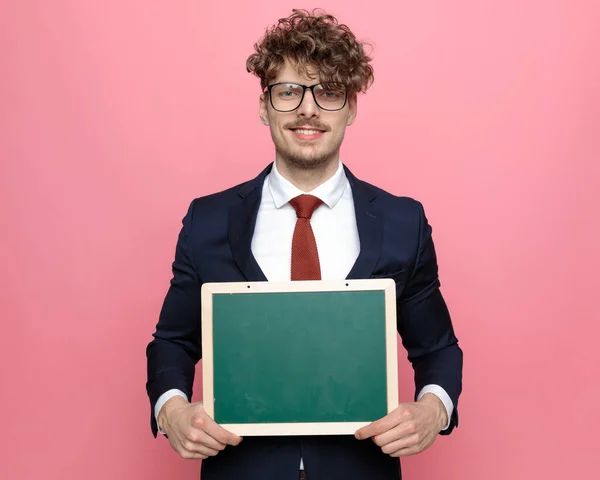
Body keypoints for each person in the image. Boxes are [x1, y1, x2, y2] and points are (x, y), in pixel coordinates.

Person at [146, 9, 463, 480]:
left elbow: (437, 348)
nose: (308, 110)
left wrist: (432, 410)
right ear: (264, 106)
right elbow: (173, 341)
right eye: (289, 91)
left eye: (329, 93)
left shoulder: (402, 222)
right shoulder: (207, 220)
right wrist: (171, 412)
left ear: (352, 107)